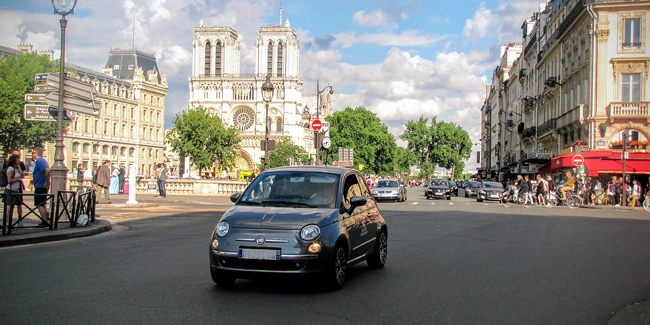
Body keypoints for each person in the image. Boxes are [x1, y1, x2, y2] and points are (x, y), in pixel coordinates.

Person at [4, 154, 24, 227]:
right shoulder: (10, 169)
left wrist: (19, 167)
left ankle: (18, 221)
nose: (19, 161)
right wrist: (17, 179)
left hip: (17, 190)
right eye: (17, 160)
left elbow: (22, 176)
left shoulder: (16, 169)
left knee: (19, 205)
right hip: (10, 190)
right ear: (13, 161)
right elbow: (9, 180)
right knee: (9, 207)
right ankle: (7, 223)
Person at [31, 148, 50, 227]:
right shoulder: (41, 161)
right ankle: (46, 219)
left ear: (36, 153)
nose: (32, 155)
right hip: (41, 184)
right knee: (43, 203)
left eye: (33, 153)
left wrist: (46, 181)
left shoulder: (39, 161)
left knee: (39, 204)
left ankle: (44, 221)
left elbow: (47, 170)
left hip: (40, 185)